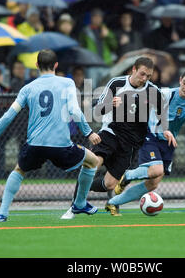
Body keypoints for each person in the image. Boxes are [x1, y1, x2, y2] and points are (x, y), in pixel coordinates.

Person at [0, 49, 101, 222]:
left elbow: (8, 116)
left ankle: (2, 213)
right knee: (93, 161)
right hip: (61, 146)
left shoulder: (27, 88)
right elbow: (74, 110)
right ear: (56, 65)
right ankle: (80, 203)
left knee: (19, 170)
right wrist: (88, 132)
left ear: (36, 65)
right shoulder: (67, 83)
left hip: (35, 145)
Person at [62, 56, 174, 219]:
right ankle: (74, 206)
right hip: (110, 133)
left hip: (130, 145)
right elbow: (96, 111)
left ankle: (82, 186)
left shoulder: (152, 92)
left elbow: (161, 117)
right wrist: (109, 105)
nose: (145, 79)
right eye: (142, 74)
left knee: (109, 184)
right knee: (93, 163)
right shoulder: (116, 84)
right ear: (134, 69)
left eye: (148, 76)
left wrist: (165, 130)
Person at [106, 69, 185, 215]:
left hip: (168, 142)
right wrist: (163, 129)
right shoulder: (166, 94)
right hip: (151, 134)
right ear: (180, 80)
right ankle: (127, 175)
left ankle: (113, 202)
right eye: (184, 83)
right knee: (157, 170)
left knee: (153, 183)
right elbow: (150, 113)